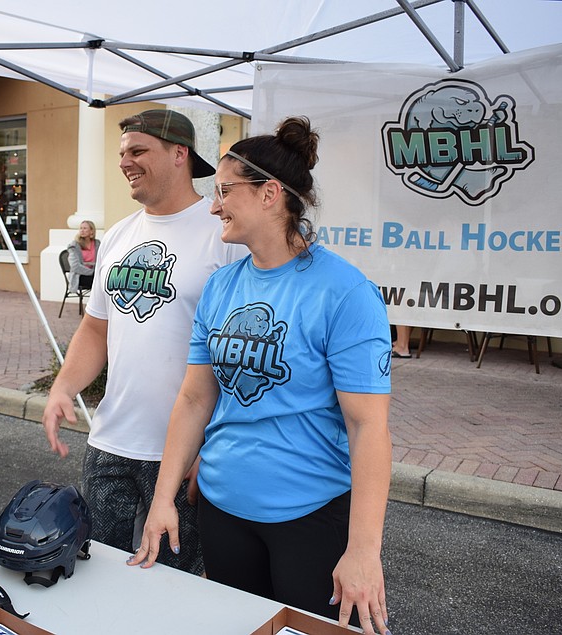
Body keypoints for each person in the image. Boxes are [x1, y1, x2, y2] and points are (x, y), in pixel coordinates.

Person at [127, 117, 393, 635]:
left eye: (225, 191)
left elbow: (368, 427)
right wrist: (162, 499)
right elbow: (195, 399)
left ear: (269, 194)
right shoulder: (222, 285)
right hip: (222, 511)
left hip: (309, 517)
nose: (214, 206)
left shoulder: (345, 292)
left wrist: (364, 551)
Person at [42, 109, 246, 576]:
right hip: (110, 443)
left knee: (173, 584)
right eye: (122, 153)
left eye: (138, 151)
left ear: (179, 154)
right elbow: (96, 328)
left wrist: (214, 444)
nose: (124, 163)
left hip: (183, 452)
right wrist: (63, 387)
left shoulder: (224, 235)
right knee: (96, 573)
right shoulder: (118, 234)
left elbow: (238, 353)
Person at [66, 220, 100, 293]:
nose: (82, 230)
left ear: (91, 231)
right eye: (81, 228)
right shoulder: (74, 245)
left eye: (85, 228)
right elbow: (75, 266)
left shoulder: (97, 244)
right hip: (80, 275)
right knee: (98, 281)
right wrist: (92, 272)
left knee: (105, 279)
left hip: (95, 274)